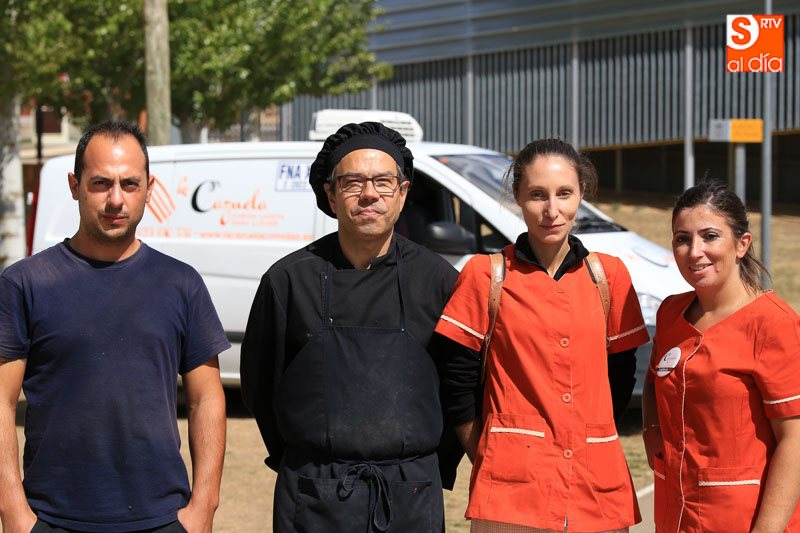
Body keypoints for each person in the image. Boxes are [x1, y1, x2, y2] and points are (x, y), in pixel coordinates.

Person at [0, 122, 230, 533]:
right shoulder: (25, 283)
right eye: (101, 183)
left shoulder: (181, 284)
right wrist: (14, 512)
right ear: (74, 185)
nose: (116, 199)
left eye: (130, 184)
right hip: (51, 518)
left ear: (149, 187)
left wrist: (203, 507)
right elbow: (1, 402)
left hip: (162, 518)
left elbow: (206, 400)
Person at [239, 122, 462, 532]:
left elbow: (460, 389)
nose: (369, 194)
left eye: (383, 181)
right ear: (330, 193)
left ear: (404, 192)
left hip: (410, 495)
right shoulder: (289, 281)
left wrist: (422, 463)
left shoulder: (440, 282)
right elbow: (260, 386)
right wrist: (307, 460)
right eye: (353, 182)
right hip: (314, 495)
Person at [435, 138, 649, 532]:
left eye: (564, 194)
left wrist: (594, 434)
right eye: (537, 195)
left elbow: (621, 372)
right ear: (517, 196)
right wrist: (487, 453)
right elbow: (456, 381)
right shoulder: (486, 275)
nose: (552, 210)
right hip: (510, 496)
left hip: (597, 491)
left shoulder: (610, 276)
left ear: (581, 194)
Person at [642, 180, 800, 532]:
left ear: (742, 244)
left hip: (743, 519)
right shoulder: (671, 313)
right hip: (675, 514)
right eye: (682, 239)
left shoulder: (774, 324)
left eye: (710, 236)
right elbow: (654, 379)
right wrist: (653, 434)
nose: (695, 251)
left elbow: (795, 439)